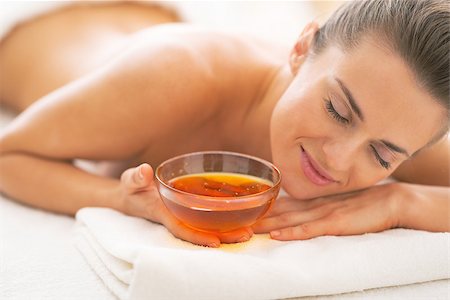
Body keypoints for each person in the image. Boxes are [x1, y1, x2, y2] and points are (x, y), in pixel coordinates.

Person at [0, 0, 448, 248]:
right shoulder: (176, 77)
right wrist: (121, 199)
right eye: (337, 111)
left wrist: (400, 202)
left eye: (383, 155)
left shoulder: (397, 109)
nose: (338, 158)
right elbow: (9, 154)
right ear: (300, 48)